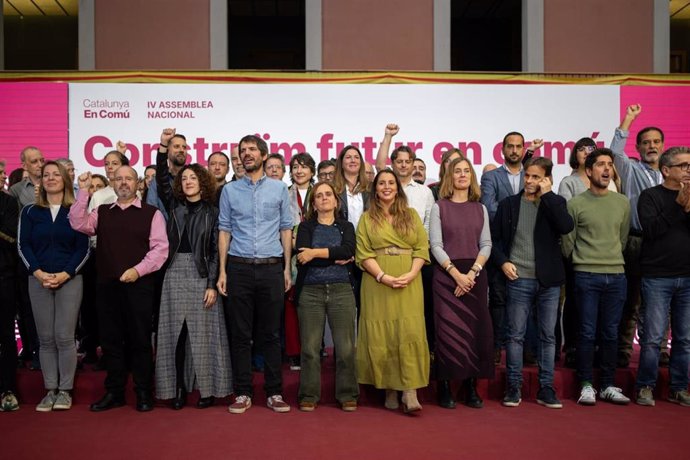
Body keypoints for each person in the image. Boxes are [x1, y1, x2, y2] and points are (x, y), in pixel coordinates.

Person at [69, 165, 168, 412]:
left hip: (140, 285)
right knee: (111, 341)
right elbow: (78, 223)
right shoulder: (101, 211)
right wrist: (83, 192)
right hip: (107, 286)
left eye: (129, 179)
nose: (123, 182)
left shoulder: (152, 213)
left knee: (140, 340)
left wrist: (138, 270)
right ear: (112, 183)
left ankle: (144, 392)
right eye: (119, 179)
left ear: (138, 184)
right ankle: (115, 392)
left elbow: (160, 249)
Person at [153, 129, 231, 410]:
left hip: (201, 275)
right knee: (176, 335)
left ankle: (207, 390)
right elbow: (162, 178)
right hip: (174, 272)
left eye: (192, 178)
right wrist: (163, 147)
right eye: (184, 178)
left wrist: (211, 283)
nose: (187, 182)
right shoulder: (173, 205)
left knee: (203, 336)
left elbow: (213, 250)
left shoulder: (213, 211)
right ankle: (178, 388)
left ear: (202, 182)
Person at [217, 134, 293, 414]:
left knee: (271, 334)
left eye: (252, 150)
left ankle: (274, 392)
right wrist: (223, 271)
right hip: (238, 268)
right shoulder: (229, 191)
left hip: (272, 267)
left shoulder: (279, 189)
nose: (246, 154)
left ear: (263, 155)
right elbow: (224, 230)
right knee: (240, 334)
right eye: (242, 150)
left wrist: (286, 268)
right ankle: (243, 392)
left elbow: (286, 228)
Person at [492, 157, 574, 409]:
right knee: (515, 336)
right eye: (527, 175)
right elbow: (494, 240)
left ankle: (546, 388)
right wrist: (504, 262)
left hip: (548, 280)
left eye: (536, 177)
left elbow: (565, 226)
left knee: (548, 337)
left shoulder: (556, 202)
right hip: (518, 278)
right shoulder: (508, 205)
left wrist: (548, 196)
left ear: (547, 179)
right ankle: (513, 387)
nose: (529, 181)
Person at [355, 170, 430, 413]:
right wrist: (383, 277)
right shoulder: (366, 218)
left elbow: (421, 247)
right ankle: (388, 387)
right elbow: (363, 253)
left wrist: (411, 273)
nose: (386, 187)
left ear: (398, 188)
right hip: (377, 282)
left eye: (391, 183)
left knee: (408, 332)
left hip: (409, 279)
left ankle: (410, 391)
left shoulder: (412, 215)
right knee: (383, 335)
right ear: (375, 190)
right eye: (381, 183)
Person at [18, 161, 90, 411]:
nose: (50, 178)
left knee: (64, 336)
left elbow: (83, 248)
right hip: (37, 280)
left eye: (55, 174)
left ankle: (65, 391)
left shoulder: (76, 209)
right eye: (46, 174)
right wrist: (37, 272)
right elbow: (23, 245)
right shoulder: (29, 211)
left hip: (69, 280)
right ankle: (50, 389)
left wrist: (65, 274)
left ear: (65, 179)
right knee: (45, 338)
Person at [562, 148, 631, 406]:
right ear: (588, 171)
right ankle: (586, 384)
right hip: (585, 274)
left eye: (609, 165)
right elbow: (568, 243)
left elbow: (622, 239)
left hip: (616, 275)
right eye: (600, 164)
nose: (606, 169)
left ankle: (608, 385)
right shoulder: (575, 203)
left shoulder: (622, 202)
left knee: (611, 333)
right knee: (587, 332)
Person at [430, 157, 492, 409]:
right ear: (450, 176)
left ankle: (470, 387)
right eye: (457, 171)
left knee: (475, 333)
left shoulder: (481, 208)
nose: (462, 175)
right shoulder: (439, 207)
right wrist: (456, 275)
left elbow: (486, 244)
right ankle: (445, 387)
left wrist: (473, 272)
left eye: (467, 171)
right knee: (447, 334)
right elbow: (435, 245)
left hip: (475, 275)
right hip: (447, 275)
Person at [610, 104, 669, 369]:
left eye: (656, 142)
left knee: (661, 300)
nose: (651, 146)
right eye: (646, 142)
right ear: (639, 147)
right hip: (636, 242)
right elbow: (614, 153)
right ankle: (623, 349)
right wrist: (629, 119)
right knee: (631, 298)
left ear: (663, 145)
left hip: (667, 243)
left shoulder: (673, 174)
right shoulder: (631, 170)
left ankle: (660, 350)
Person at [294, 181, 358, 411]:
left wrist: (316, 253)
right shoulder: (305, 228)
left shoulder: (346, 226)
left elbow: (348, 250)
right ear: (313, 202)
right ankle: (308, 395)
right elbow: (302, 255)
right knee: (310, 348)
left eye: (328, 194)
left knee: (346, 347)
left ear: (335, 200)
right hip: (310, 292)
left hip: (342, 290)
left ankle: (347, 394)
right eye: (319, 195)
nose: (324, 198)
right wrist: (332, 255)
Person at [481, 133, 543, 365]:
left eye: (519, 147)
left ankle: (529, 350)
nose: (514, 150)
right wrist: (517, 214)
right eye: (510, 146)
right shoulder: (492, 177)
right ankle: (497, 346)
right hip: (501, 246)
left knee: (529, 301)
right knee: (498, 300)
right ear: (503, 150)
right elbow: (489, 208)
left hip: (529, 246)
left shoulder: (532, 174)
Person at [635, 146, 690, 407]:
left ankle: (678, 387)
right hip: (657, 276)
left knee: (685, 338)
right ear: (666, 170)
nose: (688, 171)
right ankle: (645, 385)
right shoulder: (650, 196)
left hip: (687, 277)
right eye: (683, 166)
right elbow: (652, 229)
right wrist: (678, 205)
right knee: (653, 337)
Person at [10, 147, 45, 372]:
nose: (40, 164)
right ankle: (33, 350)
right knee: (28, 307)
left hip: (54, 256)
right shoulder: (15, 191)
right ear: (24, 165)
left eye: (41, 159)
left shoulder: (57, 183)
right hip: (26, 257)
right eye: (34, 161)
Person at [0, 185, 19, 411]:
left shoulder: (9, 202)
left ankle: (8, 389)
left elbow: (11, 236)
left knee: (5, 334)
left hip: (4, 275)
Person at [147, 133, 189, 220]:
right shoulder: (157, 181)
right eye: (176, 146)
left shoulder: (194, 178)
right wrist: (163, 144)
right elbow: (151, 210)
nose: (181, 150)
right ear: (167, 150)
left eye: (184, 147)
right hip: (163, 231)